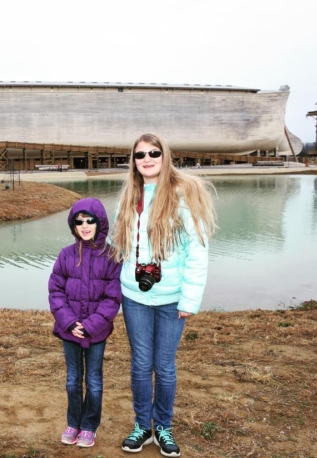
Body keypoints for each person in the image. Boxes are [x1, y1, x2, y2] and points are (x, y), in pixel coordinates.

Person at [109, 133, 216, 457]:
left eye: (153, 152)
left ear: (164, 155)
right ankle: (143, 426)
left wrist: (190, 300)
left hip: (172, 299)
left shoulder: (184, 194)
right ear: (134, 160)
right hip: (135, 298)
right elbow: (118, 245)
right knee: (141, 364)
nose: (147, 158)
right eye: (140, 154)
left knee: (164, 365)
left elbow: (197, 251)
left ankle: (163, 427)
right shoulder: (129, 196)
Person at [49, 197, 122, 449]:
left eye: (90, 220)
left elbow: (113, 298)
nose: (85, 225)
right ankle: (73, 422)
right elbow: (55, 292)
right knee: (72, 379)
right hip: (69, 331)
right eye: (79, 221)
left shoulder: (112, 256)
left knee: (93, 379)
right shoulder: (66, 255)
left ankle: (89, 426)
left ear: (100, 222)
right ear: (73, 225)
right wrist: (70, 322)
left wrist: (90, 326)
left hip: (96, 332)